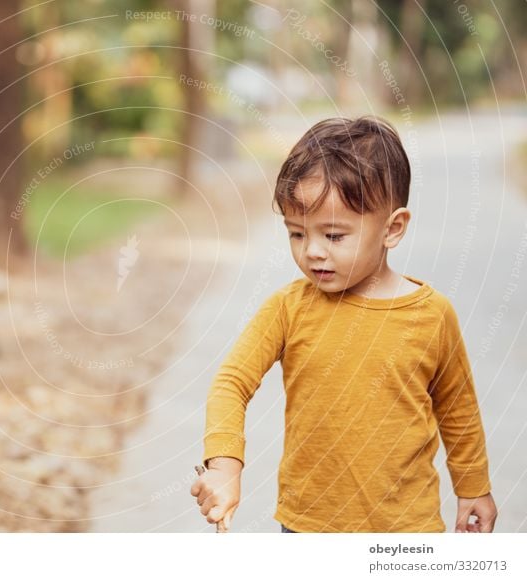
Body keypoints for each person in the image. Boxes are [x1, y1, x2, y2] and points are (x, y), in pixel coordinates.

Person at [190, 116, 497, 533]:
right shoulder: (288, 307)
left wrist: (473, 486)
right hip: (309, 527)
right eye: (297, 234)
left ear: (393, 228)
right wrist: (225, 465)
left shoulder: (432, 315)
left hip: (407, 529)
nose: (312, 252)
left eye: (333, 236)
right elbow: (231, 382)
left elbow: (457, 408)